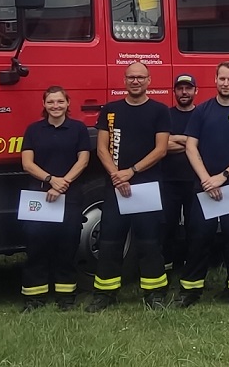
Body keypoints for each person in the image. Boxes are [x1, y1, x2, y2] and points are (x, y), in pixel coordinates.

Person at [89, 61, 172, 312]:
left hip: (146, 186)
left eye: (140, 77)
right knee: (110, 241)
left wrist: (131, 172)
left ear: (149, 81)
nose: (135, 81)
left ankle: (154, 293)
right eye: (131, 77)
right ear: (124, 80)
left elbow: (161, 149)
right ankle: (104, 294)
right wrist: (117, 176)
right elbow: (102, 148)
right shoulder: (110, 110)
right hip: (116, 186)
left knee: (149, 241)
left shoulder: (160, 111)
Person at [179, 61, 229, 309]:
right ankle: (190, 290)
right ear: (215, 80)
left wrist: (222, 177)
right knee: (198, 238)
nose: (226, 83)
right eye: (222, 78)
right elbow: (190, 146)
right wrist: (206, 179)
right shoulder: (202, 111)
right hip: (204, 187)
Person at [17, 86, 93, 312]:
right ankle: (34, 298)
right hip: (39, 195)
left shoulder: (78, 129)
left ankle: (66, 297)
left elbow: (83, 161)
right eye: (51, 102)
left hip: (69, 195)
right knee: (36, 245)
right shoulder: (34, 130)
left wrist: (62, 184)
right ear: (44, 105)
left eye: (60, 101)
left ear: (68, 103)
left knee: (67, 245)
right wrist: (51, 180)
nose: (55, 106)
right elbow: (27, 163)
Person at [160, 74, 200, 277]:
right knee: (167, 226)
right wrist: (190, 142)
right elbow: (161, 146)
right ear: (174, 91)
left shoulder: (201, 114)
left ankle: (190, 268)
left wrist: (175, 139)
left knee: (195, 227)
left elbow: (205, 143)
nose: (184, 92)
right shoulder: (166, 115)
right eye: (180, 88)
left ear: (195, 91)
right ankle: (167, 268)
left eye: (188, 88)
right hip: (168, 181)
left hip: (196, 181)